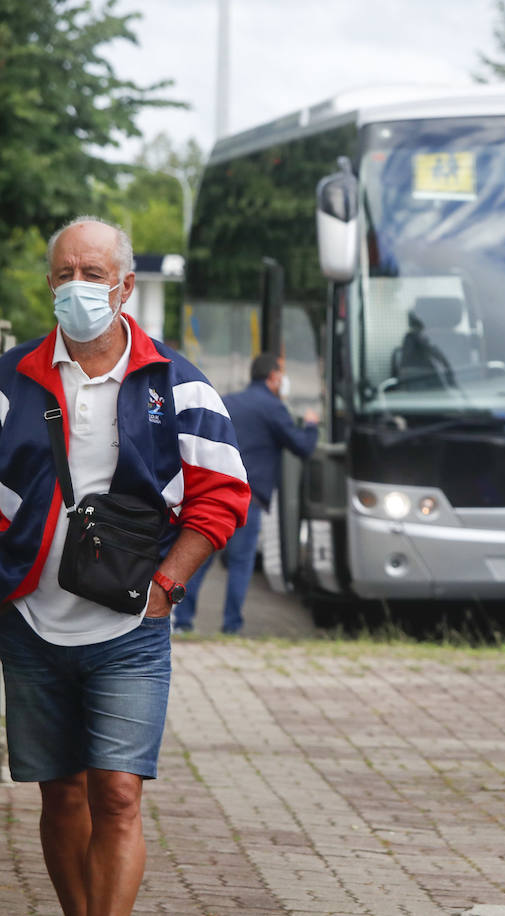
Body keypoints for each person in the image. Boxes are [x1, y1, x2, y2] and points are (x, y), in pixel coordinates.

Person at [0, 216, 251, 916]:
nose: (78, 286)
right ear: (49, 284)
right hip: (28, 626)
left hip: (130, 629)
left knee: (116, 793)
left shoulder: (177, 385)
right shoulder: (11, 382)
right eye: (66, 274)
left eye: (94, 274)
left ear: (126, 286)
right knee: (61, 792)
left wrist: (169, 585)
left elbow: (223, 495)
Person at [174, 352, 319, 635]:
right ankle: (231, 627)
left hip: (216, 493)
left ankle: (183, 621)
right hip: (247, 499)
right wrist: (312, 425)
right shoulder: (273, 407)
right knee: (241, 564)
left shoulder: (230, 402)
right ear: (273, 377)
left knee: (201, 558)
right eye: (282, 374)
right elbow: (302, 447)